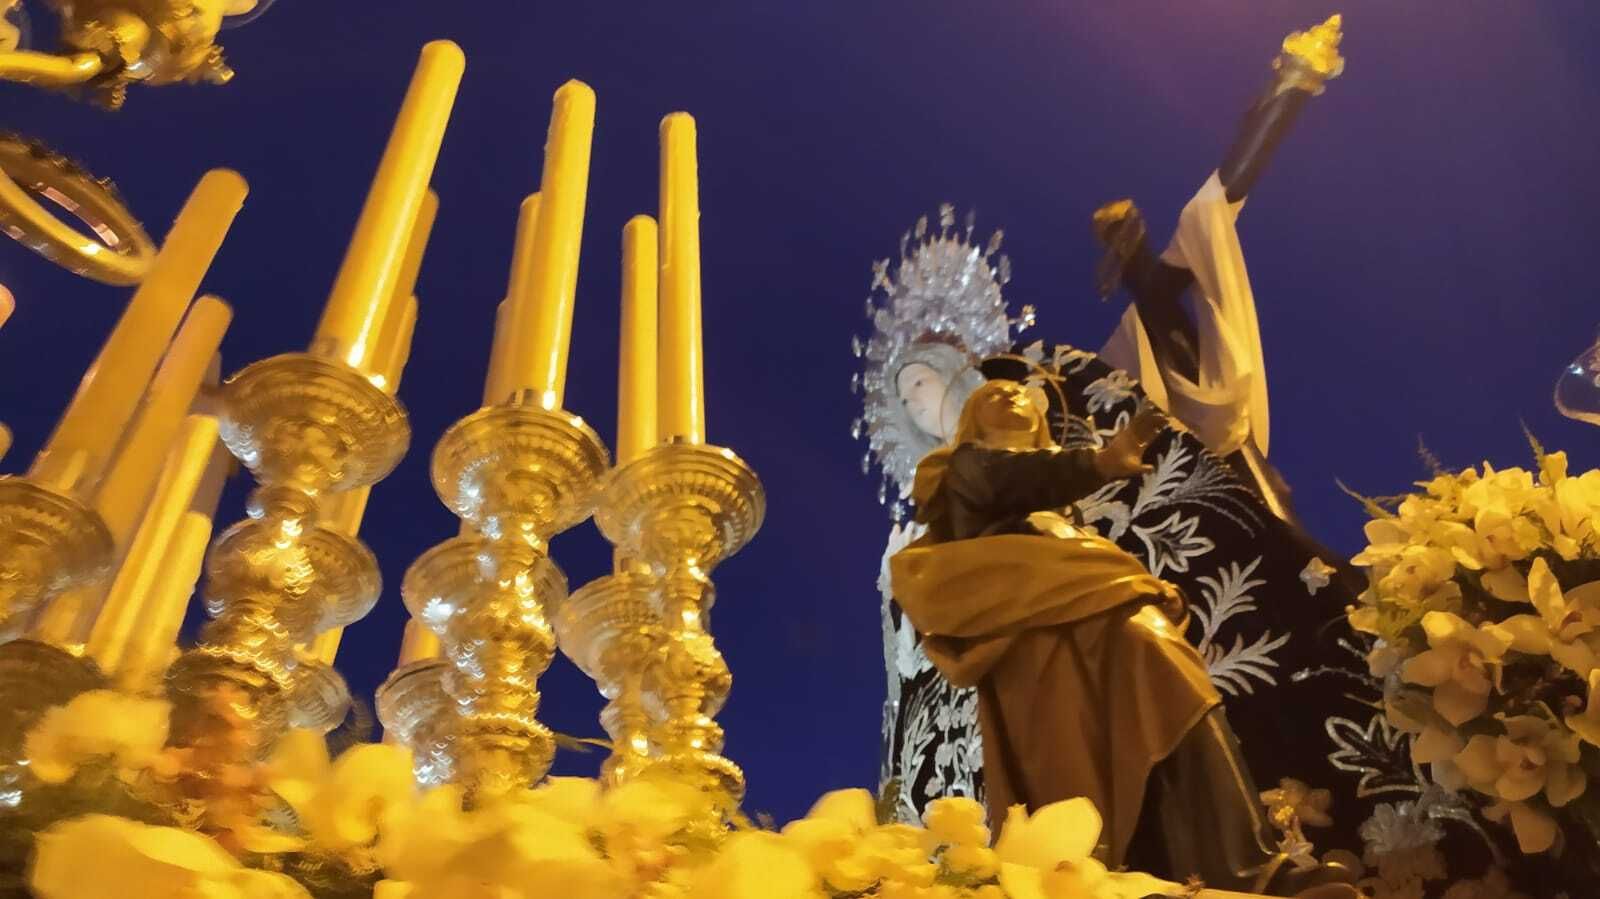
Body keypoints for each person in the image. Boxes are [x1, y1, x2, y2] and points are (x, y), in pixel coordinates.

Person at [890, 380, 1356, 897]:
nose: (1009, 395)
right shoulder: (963, 472)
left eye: (1019, 390)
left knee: (1185, 704)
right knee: (1073, 759)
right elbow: (1005, 477)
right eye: (992, 394)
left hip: (1103, 606)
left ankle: (1237, 867)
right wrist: (1098, 464)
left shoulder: (1062, 516)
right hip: (1038, 638)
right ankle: (1103, 879)